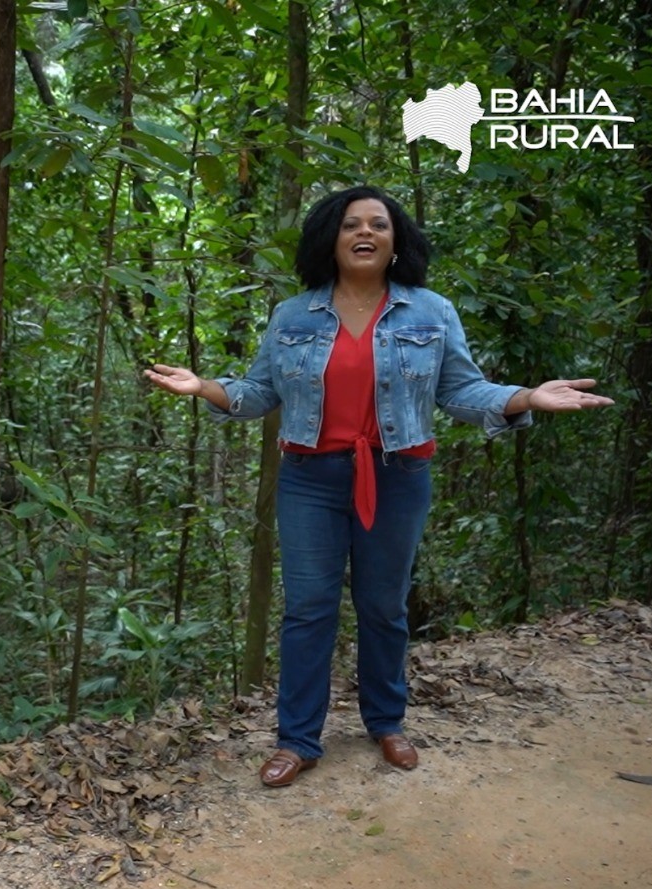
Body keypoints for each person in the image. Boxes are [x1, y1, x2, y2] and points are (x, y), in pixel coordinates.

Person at [143, 185, 613, 787]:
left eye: (379, 225)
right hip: (311, 478)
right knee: (309, 609)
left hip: (398, 477)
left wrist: (526, 396)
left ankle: (387, 722)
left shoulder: (431, 312)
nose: (365, 233)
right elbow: (262, 393)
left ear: (397, 241)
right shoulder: (293, 315)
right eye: (350, 225)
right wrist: (204, 385)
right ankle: (298, 739)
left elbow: (461, 391)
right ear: (330, 240)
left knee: (384, 606)